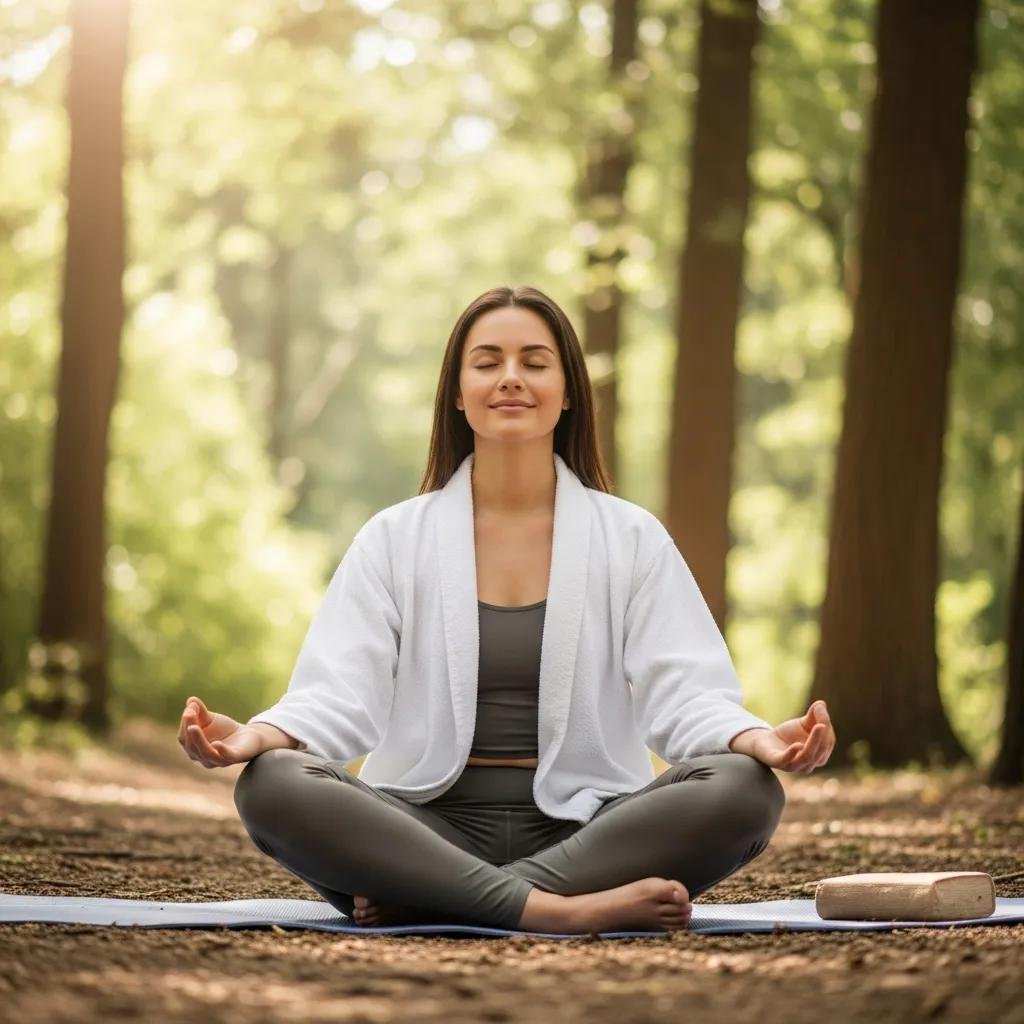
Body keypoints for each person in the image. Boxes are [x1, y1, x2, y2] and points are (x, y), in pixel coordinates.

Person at [177, 284, 836, 935]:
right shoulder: (393, 539)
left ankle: (441, 901)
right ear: (458, 395)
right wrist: (255, 738)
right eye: (488, 362)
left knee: (744, 789)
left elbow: (685, 696)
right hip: (420, 828)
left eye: (535, 362)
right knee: (271, 785)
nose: (511, 379)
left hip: (593, 834)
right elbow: (337, 695)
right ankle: (554, 911)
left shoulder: (630, 538)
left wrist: (759, 740)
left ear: (568, 389)